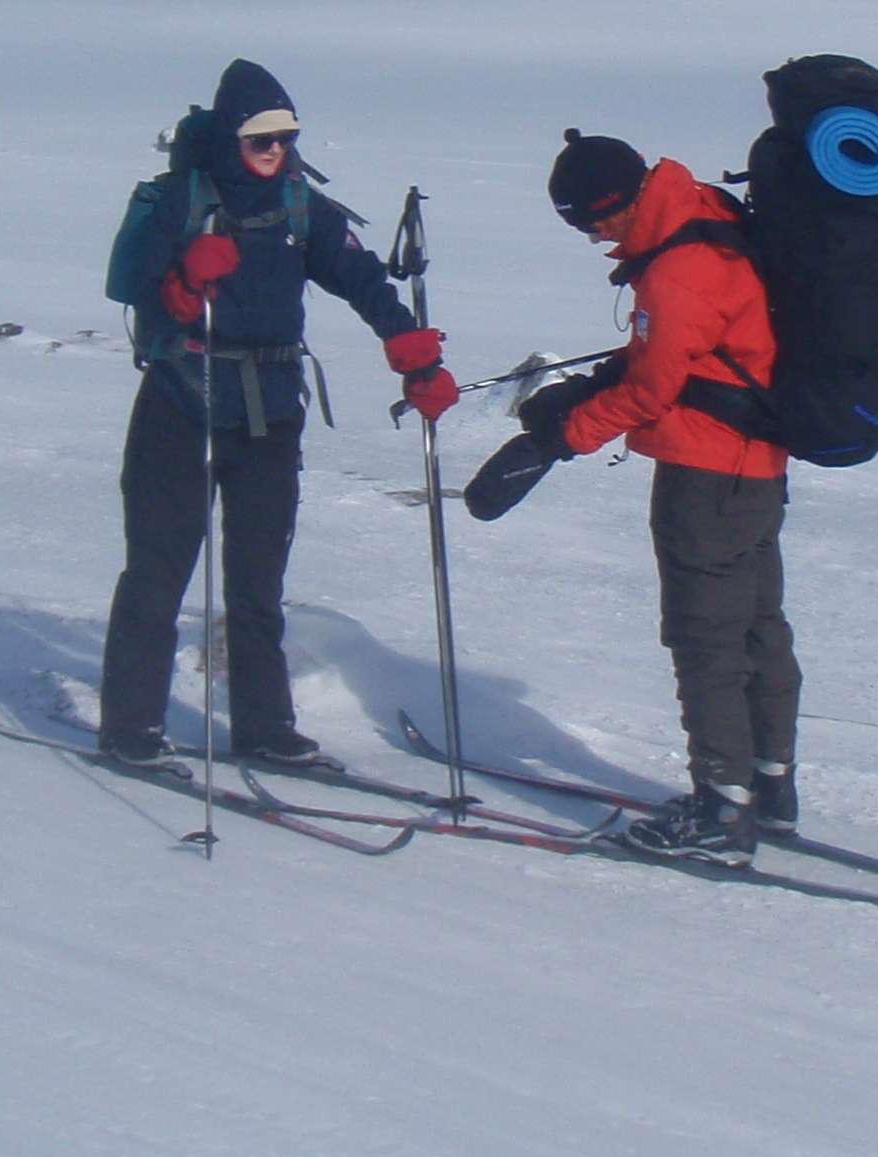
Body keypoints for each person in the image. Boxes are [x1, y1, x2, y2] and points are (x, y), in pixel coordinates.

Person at [99, 59, 456, 771]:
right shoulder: (182, 201)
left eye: (286, 137)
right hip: (184, 400)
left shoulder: (299, 207)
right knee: (160, 571)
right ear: (231, 138)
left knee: (258, 580)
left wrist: (411, 349)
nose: (276, 150)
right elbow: (130, 285)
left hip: (269, 411)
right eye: (262, 138)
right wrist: (179, 282)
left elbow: (360, 278)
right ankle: (129, 726)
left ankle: (263, 726)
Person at [519, 127, 799, 857]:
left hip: (707, 474)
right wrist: (599, 381)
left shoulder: (678, 267)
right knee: (756, 625)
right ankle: (769, 786)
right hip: (759, 466)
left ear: (611, 204)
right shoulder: (704, 209)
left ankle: (721, 810)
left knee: (705, 635)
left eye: (588, 222)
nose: (592, 238)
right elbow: (682, 350)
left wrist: (570, 431)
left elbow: (654, 388)